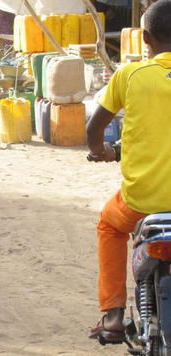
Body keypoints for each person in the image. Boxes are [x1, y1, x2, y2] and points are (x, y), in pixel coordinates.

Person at [87, 0, 171, 342]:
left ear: (146, 38)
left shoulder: (130, 74)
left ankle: (113, 315)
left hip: (142, 200)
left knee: (109, 225)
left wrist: (102, 151)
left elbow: (94, 128)